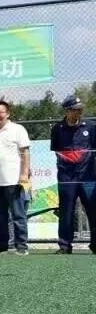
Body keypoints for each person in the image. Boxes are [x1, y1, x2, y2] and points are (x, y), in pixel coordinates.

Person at [0, 100, 32, 255]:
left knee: (18, 215)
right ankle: (2, 245)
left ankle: (21, 246)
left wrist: (24, 175)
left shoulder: (18, 129)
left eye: (0, 112)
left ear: (8, 113)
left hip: (14, 180)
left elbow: (25, 153)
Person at [49, 95, 96, 254]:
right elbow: (56, 150)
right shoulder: (57, 128)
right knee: (66, 211)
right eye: (76, 109)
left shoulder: (91, 127)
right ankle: (65, 245)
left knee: (93, 209)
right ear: (67, 111)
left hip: (89, 177)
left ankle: (95, 244)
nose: (79, 112)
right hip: (67, 177)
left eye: (81, 109)